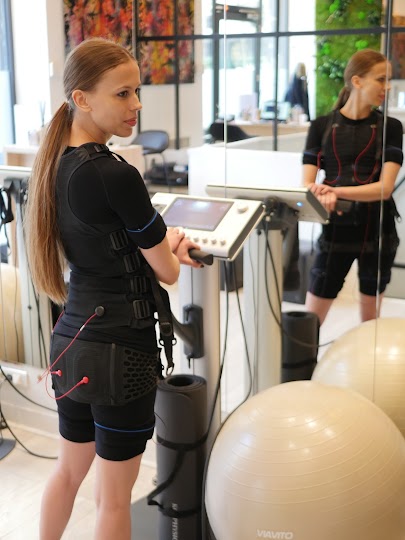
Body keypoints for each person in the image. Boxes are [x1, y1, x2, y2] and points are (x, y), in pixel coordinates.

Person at [24, 37, 201, 540]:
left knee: (67, 473)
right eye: (123, 94)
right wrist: (172, 247)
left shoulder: (55, 164)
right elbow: (167, 272)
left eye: (137, 91)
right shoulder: (115, 173)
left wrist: (160, 246)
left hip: (72, 343)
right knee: (114, 500)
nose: (136, 104)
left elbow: (106, 242)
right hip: (122, 353)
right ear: (82, 98)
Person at [302, 49, 403, 325]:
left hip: (379, 232)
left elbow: (384, 189)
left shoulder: (392, 128)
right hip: (335, 231)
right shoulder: (321, 126)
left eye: (388, 80)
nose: (387, 87)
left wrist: (334, 192)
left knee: (370, 324)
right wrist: (319, 192)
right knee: (309, 322)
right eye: (381, 79)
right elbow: (307, 185)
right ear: (357, 81)